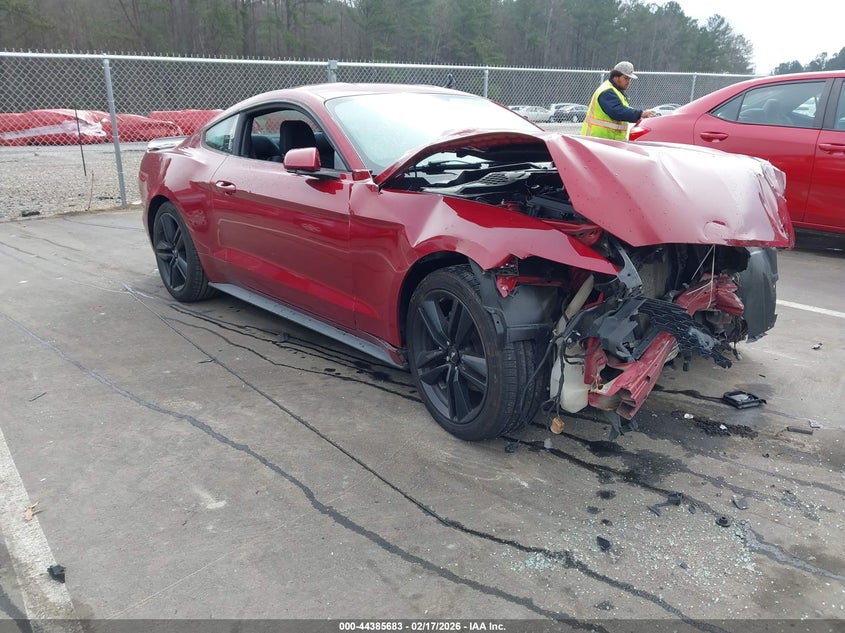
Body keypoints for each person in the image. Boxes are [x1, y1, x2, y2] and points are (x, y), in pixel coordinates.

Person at [581, 61, 657, 140]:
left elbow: (623, 110)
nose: (628, 82)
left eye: (629, 79)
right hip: (596, 140)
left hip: (606, 140)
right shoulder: (607, 91)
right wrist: (641, 114)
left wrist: (640, 115)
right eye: (626, 78)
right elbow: (618, 112)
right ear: (616, 77)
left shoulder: (616, 92)